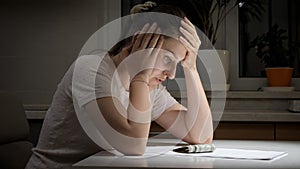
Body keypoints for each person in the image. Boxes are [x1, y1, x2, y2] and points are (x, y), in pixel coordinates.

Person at [26, 1, 213, 168]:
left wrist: (191, 68)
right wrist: (140, 77)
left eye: (177, 63)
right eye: (166, 59)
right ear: (140, 42)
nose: (171, 74)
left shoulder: (150, 87)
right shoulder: (91, 69)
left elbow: (201, 136)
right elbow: (133, 145)